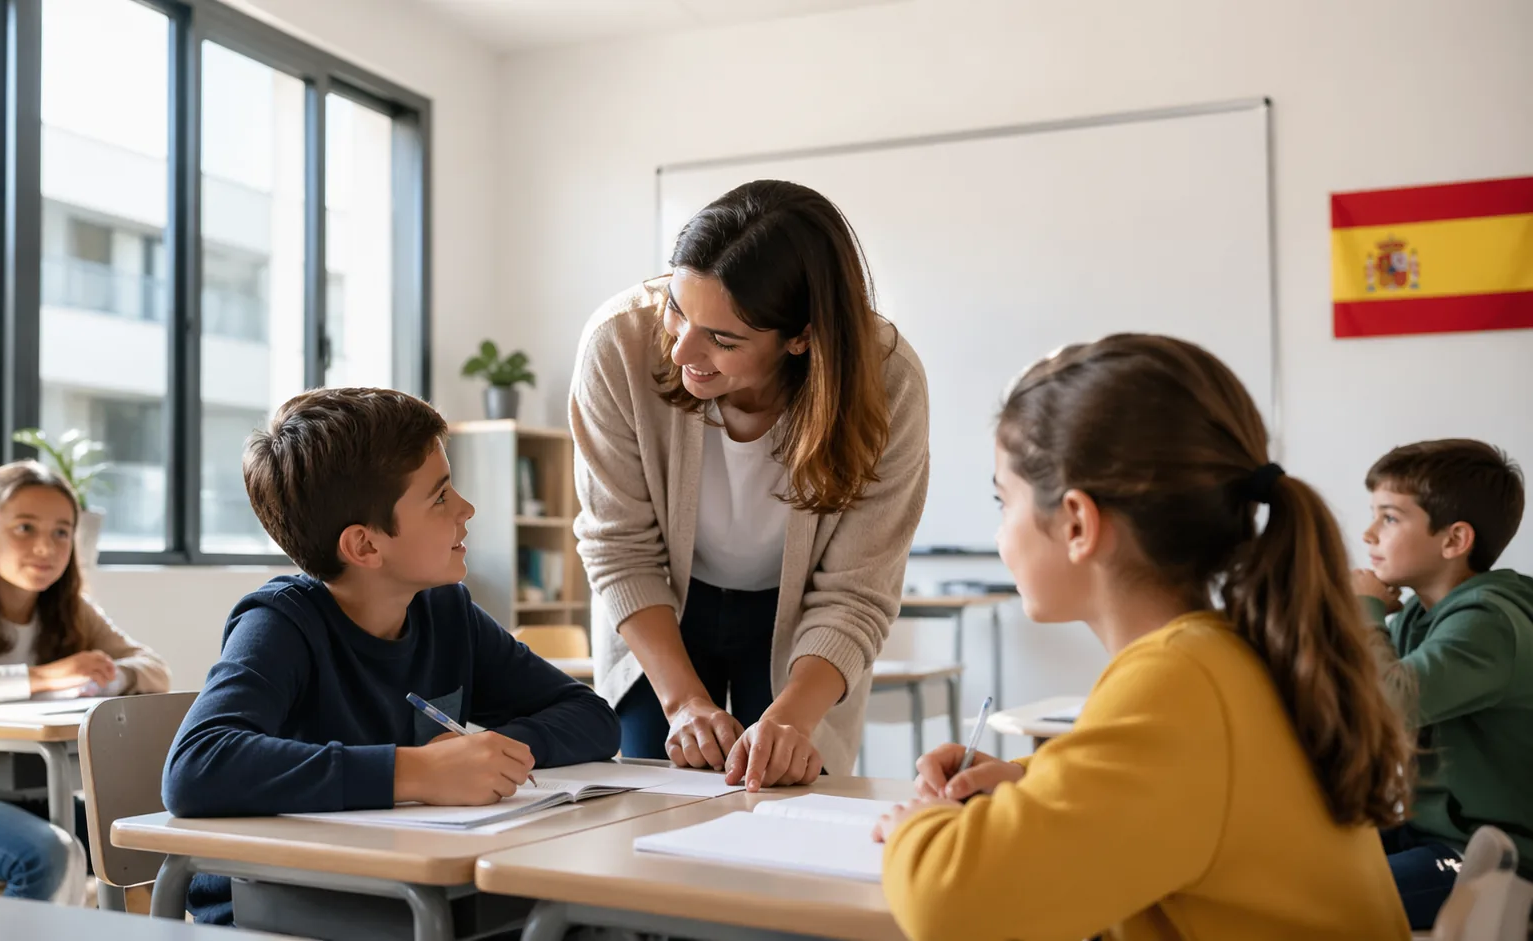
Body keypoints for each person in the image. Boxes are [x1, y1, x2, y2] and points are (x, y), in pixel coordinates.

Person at [876, 334, 1411, 941]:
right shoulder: (1220, 656)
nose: (1001, 531)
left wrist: (915, 828)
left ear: (1077, 522)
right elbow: (1176, 796)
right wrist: (1034, 782)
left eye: (1004, 502)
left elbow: (950, 907)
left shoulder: (1178, 682)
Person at [162, 387, 620, 925]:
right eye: (441, 497)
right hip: (279, 900)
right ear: (365, 547)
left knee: (600, 920)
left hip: (405, 887)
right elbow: (195, 767)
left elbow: (592, 717)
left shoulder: (445, 612)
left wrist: (496, 755)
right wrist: (417, 771)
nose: (467, 510)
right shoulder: (281, 624)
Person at [571, 179, 929, 786]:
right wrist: (684, 702)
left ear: (802, 338)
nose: (683, 350)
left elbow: (856, 591)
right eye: (677, 310)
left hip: (799, 617)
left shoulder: (886, 381)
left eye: (723, 339)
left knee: (789, 795)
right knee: (647, 797)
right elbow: (619, 547)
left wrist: (791, 718)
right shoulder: (620, 344)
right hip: (662, 603)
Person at [0, 460, 171, 902]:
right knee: (51, 854)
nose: (46, 547)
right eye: (24, 528)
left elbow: (153, 670)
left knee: (148, 838)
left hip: (39, 793)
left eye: (61, 532)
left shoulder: (71, 609)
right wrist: (41, 677)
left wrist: (103, 676)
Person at [1354, 438, 1533, 930]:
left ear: (1454, 540)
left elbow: (1389, 704)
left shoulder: (1489, 622)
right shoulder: (1417, 616)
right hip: (1422, 831)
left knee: (1325, 899)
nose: (1368, 533)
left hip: (1495, 856)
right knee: (1284, 869)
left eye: (1389, 518)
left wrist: (1361, 611)